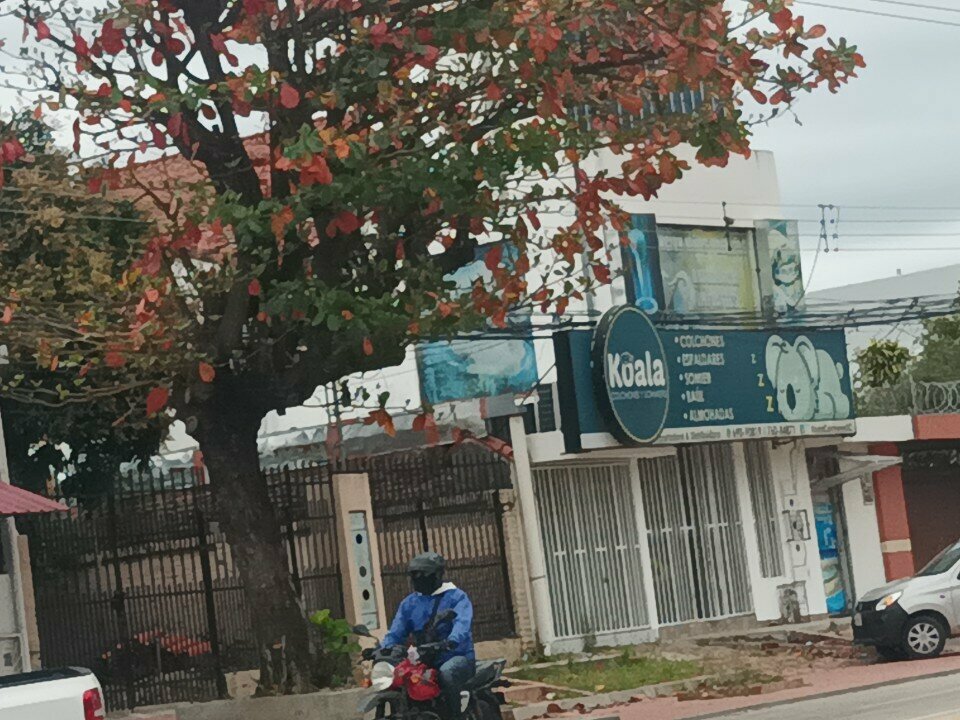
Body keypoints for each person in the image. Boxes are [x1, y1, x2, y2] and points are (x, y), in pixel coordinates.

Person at [380, 552, 475, 719]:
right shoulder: (410, 603)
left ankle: (454, 717)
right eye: (414, 574)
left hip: (454, 656)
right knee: (395, 677)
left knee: (447, 673)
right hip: (422, 658)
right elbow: (396, 631)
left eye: (423, 574)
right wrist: (384, 648)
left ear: (437, 575)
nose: (418, 578)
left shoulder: (456, 597)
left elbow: (462, 623)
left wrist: (451, 641)